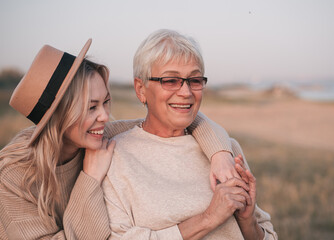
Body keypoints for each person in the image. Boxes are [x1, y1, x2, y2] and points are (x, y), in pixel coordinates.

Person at [0, 39, 241, 239]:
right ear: (58, 117)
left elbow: (183, 119)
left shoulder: (96, 137)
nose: (105, 116)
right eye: (91, 107)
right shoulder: (13, 176)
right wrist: (90, 178)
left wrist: (220, 154)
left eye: (105, 102)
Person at [103, 29, 277, 239]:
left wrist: (247, 220)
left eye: (194, 80)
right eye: (170, 80)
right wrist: (210, 217)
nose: (186, 92)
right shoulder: (113, 158)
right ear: (141, 89)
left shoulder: (226, 151)